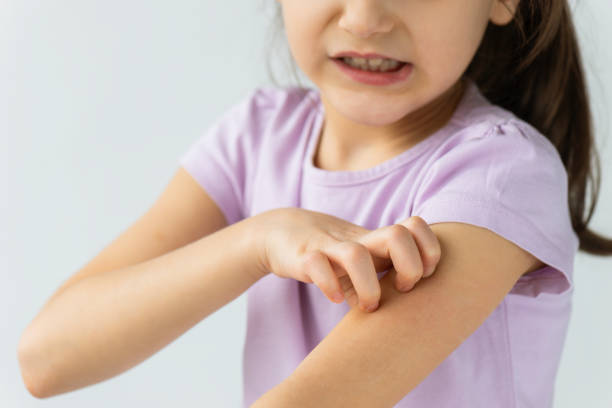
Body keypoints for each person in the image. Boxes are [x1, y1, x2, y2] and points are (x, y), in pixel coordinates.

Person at [16, 0, 611, 407]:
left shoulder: (500, 174)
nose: (365, 18)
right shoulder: (254, 138)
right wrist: (257, 241)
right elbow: (46, 358)